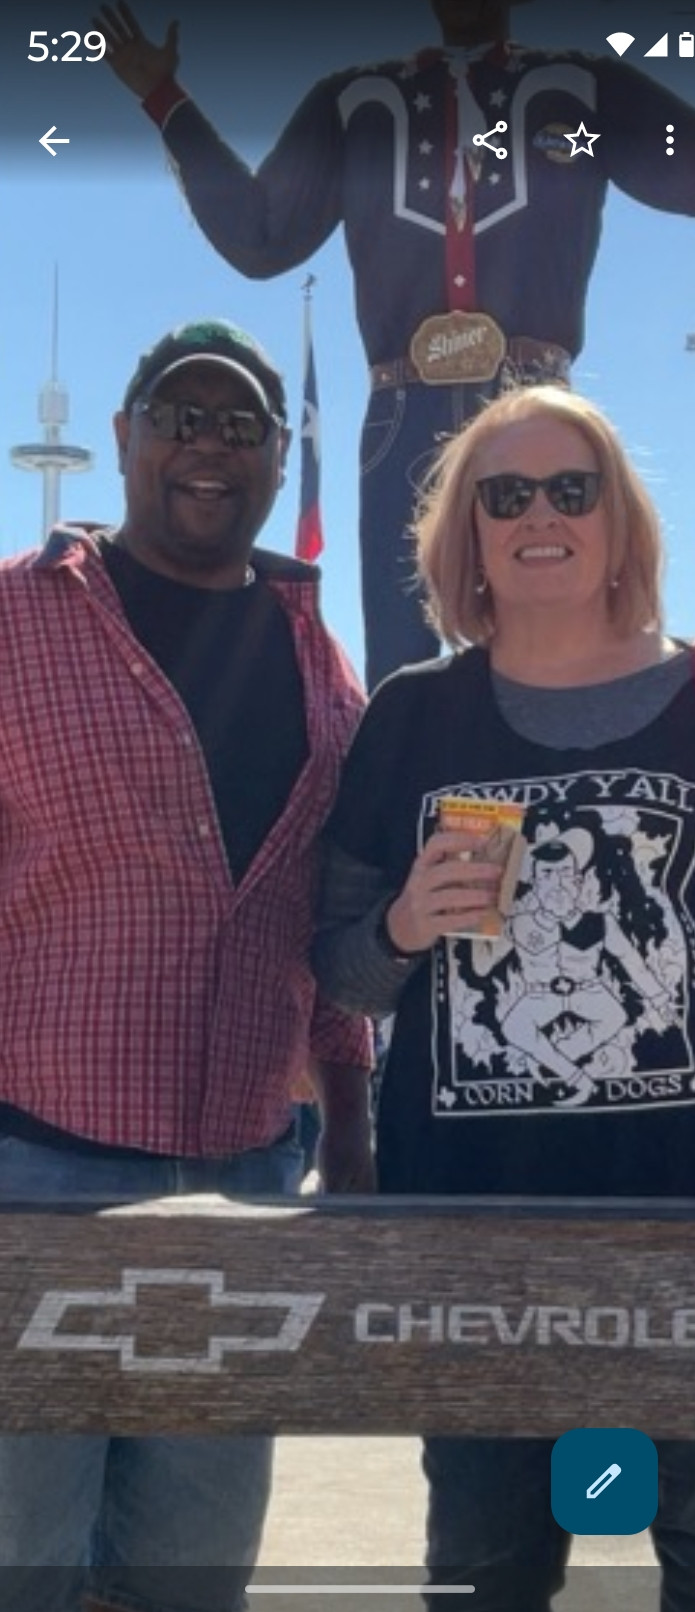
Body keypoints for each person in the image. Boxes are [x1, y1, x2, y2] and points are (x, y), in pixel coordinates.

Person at [312, 382, 695, 1610]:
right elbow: (338, 966)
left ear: (619, 521)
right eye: (507, 494)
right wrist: (402, 923)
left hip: (692, 1238)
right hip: (475, 1245)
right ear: (469, 536)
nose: (541, 514)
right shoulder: (412, 718)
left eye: (571, 487)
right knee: (486, 1576)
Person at [0, 316, 374, 1612]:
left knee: (191, 1577)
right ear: (122, 436)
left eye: (241, 425)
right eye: (180, 413)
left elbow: (331, 919)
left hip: (246, 1184)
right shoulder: (12, 619)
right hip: (33, 1173)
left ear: (277, 461)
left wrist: (358, 1136)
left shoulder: (325, 665)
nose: (209, 445)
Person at [94, 0, 695, 689]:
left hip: (534, 404)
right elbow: (260, 233)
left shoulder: (582, 89)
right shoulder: (353, 103)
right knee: (409, 659)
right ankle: (419, 796)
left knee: (562, 634)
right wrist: (164, 99)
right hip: (402, 413)